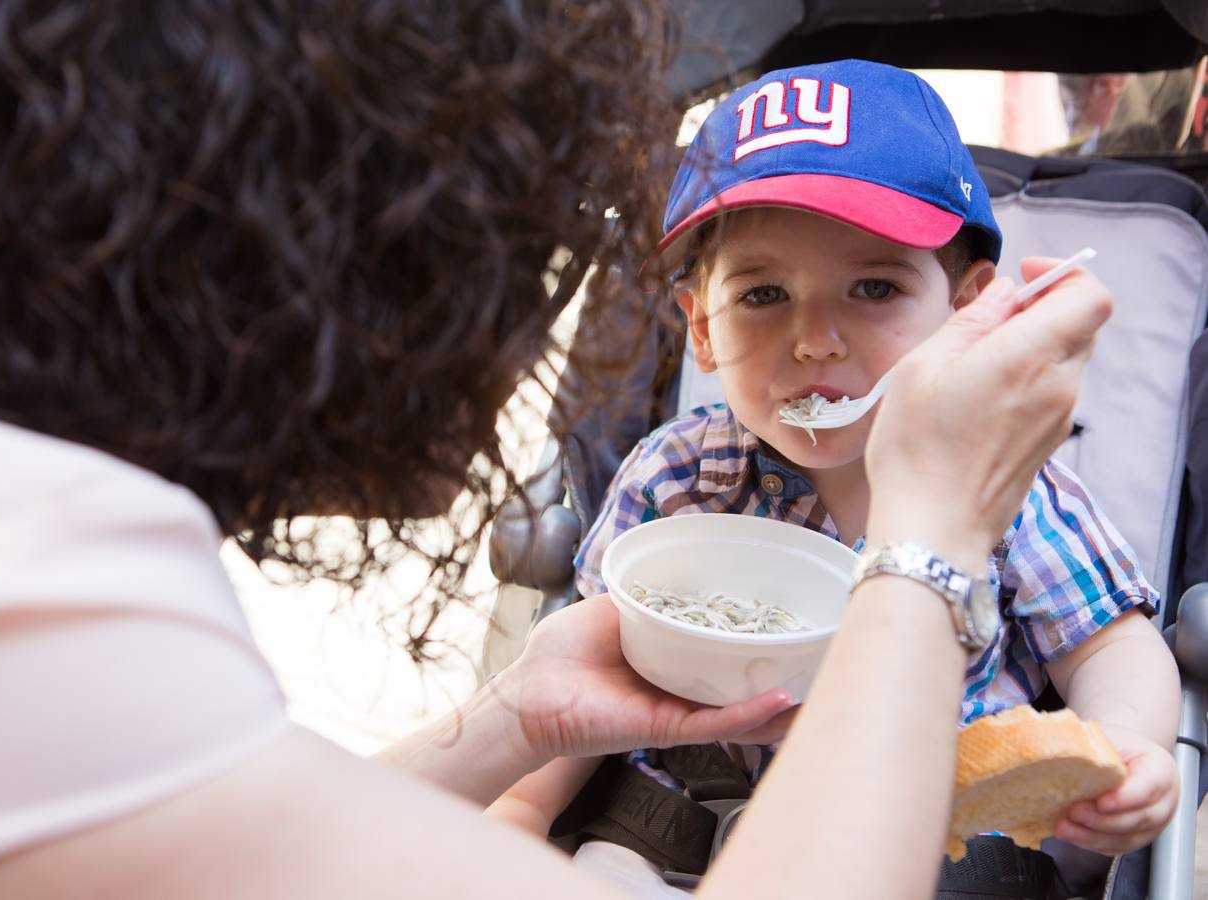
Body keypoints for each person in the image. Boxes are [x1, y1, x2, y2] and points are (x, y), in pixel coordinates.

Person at [0, 5, 1119, 900]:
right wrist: (929, 541)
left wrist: (515, 719)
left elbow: (259, 832)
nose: (514, 355)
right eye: (509, 261)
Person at [490, 59, 1180, 897]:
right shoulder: (677, 476)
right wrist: (519, 815)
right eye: (766, 294)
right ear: (702, 329)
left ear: (968, 309)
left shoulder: (1010, 483)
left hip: (934, 826)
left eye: (875, 287)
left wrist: (1128, 743)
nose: (816, 339)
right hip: (675, 814)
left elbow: (1110, 643)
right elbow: (587, 670)